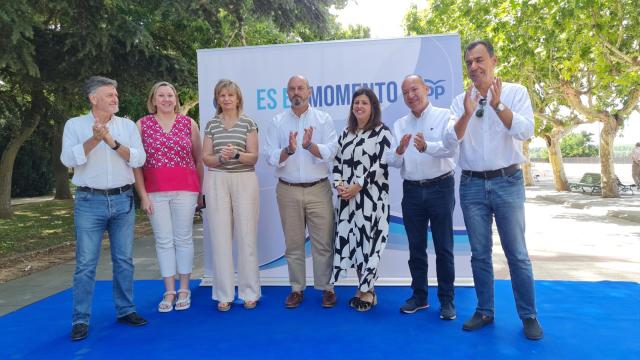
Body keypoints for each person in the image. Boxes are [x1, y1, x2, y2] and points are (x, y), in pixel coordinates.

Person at [447, 40, 543, 340]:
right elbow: (452, 141)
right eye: (469, 63)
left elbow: (526, 131)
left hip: (507, 182)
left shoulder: (515, 93)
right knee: (479, 254)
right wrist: (465, 113)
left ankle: (528, 316)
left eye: (479, 60)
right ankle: (485, 311)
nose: (474, 67)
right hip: (472, 184)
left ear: (493, 60)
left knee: (517, 254)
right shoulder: (460, 100)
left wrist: (497, 103)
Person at [61, 76, 148, 341]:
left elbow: (139, 158)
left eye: (115, 94)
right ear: (93, 98)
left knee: (124, 260)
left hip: (123, 200)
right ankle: (80, 319)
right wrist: (94, 140)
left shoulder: (127, 126)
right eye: (109, 94)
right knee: (86, 263)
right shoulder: (75, 125)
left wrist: (110, 141)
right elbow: (68, 159)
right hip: (89, 202)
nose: (115, 98)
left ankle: (126, 310)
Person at [387, 75, 458, 319]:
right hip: (412, 192)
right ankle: (419, 296)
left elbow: (451, 148)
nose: (411, 96)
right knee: (416, 248)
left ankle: (447, 301)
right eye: (405, 92)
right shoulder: (399, 125)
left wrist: (427, 146)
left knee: (444, 248)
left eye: (414, 89)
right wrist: (398, 150)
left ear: (427, 90)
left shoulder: (445, 116)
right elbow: (394, 162)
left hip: (441, 187)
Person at [265, 75, 338, 309]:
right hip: (288, 191)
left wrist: (309, 146)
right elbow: (270, 156)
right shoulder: (277, 121)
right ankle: (296, 289)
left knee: (323, 242)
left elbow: (332, 151)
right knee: (294, 243)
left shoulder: (323, 119)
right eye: (292, 89)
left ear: (309, 92)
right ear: (287, 93)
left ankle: (326, 287)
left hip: (318, 189)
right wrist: (289, 150)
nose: (297, 92)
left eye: (301, 88)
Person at [133, 81, 203, 313]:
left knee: (183, 238)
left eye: (170, 95)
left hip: (186, 189)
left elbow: (199, 159)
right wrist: (142, 194)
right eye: (161, 95)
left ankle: (184, 288)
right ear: (153, 100)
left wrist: (201, 191)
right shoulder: (142, 125)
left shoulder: (189, 124)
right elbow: (136, 164)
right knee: (163, 241)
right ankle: (169, 290)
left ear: (176, 99)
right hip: (155, 191)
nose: (166, 99)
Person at [331, 88, 392, 311]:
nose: (359, 106)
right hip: (348, 200)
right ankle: (364, 287)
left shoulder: (382, 132)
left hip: (371, 199)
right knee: (356, 243)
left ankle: (367, 291)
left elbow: (381, 164)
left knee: (370, 243)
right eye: (356, 102)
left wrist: (359, 185)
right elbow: (336, 162)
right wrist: (338, 185)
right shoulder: (346, 133)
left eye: (364, 103)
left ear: (373, 107)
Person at [202, 79, 260, 311]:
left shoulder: (248, 123)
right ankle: (224, 294)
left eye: (230, 95)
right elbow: (206, 157)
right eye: (222, 95)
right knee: (220, 237)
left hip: (244, 179)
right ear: (217, 99)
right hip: (217, 179)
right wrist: (220, 158)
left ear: (238, 99)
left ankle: (249, 292)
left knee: (247, 236)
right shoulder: (211, 124)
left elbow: (253, 156)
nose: (226, 99)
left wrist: (236, 154)